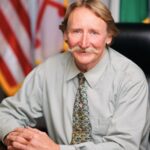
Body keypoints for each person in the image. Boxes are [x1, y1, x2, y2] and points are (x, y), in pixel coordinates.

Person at [0, 0, 149, 150]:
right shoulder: (49, 70)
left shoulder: (131, 79)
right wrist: (16, 138)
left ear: (108, 37)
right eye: (76, 31)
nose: (84, 43)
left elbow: (124, 147)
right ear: (65, 34)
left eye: (94, 33)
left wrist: (56, 149)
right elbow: (7, 113)